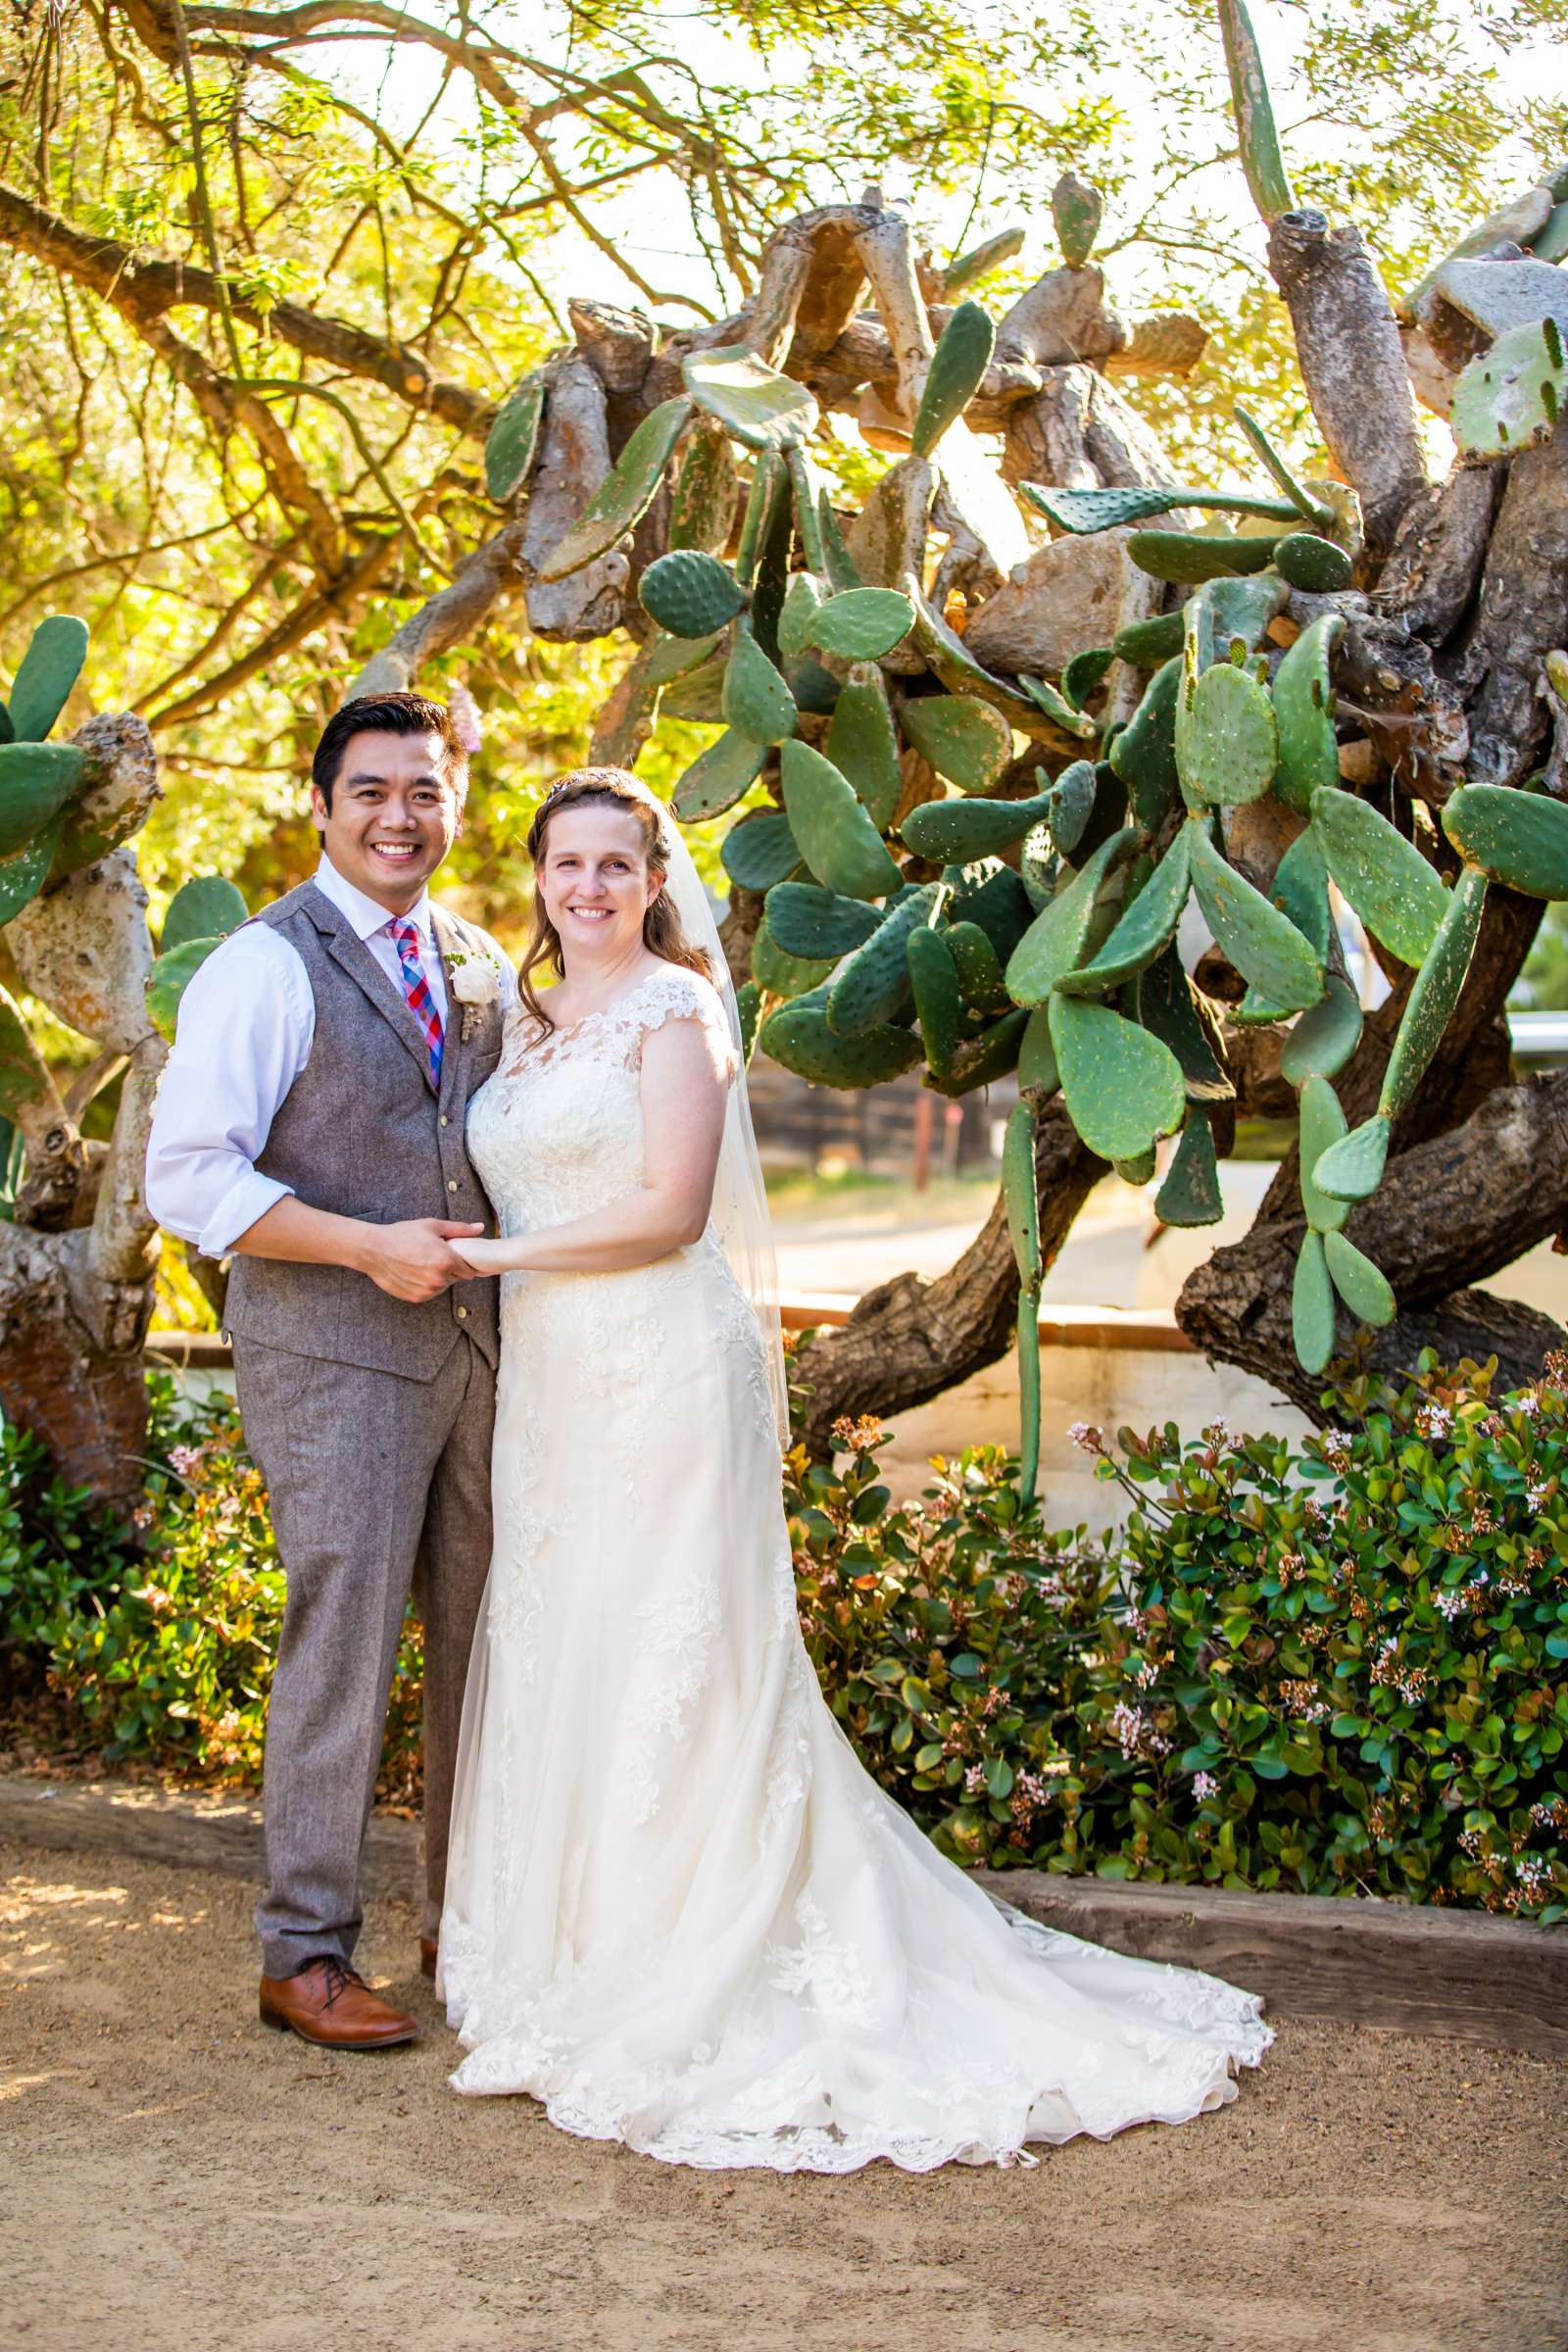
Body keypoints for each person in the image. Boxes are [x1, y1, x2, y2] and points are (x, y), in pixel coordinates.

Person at [437, 764, 1272, 2172]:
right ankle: (562, 1950)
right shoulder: (517, 1020)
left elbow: (668, 1210)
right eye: (564, 865)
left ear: (655, 884)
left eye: (614, 868)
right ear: (537, 877)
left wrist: (493, 1258)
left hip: (653, 1359)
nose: (587, 889)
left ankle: (682, 1951)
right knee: (568, 1633)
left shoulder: (680, 1012)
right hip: (552, 1383)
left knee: (673, 1644)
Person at [145, 691, 514, 2050]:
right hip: (331, 1355)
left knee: (487, 1644)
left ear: (453, 801)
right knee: (343, 1647)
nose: (400, 815)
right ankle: (302, 1952)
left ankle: (463, 1926)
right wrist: (369, 1250)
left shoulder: (476, 957)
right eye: (372, 791)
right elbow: (185, 1178)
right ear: (322, 805)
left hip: (476, 1356)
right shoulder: (264, 964)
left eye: (424, 789)